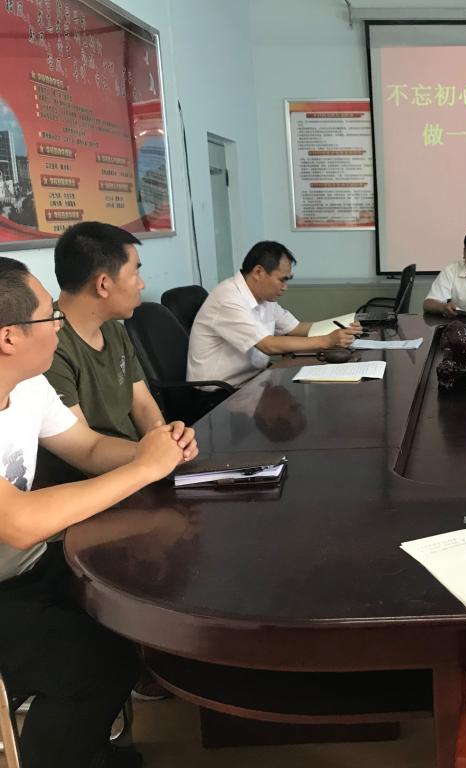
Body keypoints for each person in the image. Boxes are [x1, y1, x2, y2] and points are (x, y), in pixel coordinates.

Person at [0, 257, 197, 768]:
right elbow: (18, 522)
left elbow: (86, 448)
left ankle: (90, 750)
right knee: (93, 665)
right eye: (50, 315)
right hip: (9, 577)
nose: (59, 325)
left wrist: (159, 451)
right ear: (9, 337)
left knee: (128, 615)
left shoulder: (26, 383)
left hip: (25, 568)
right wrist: (143, 469)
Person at [35, 222, 165, 485]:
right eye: (135, 274)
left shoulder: (114, 330)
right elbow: (85, 452)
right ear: (103, 284)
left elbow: (142, 404)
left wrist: (165, 440)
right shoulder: (48, 347)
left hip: (136, 466)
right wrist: (153, 456)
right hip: (91, 483)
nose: (142, 284)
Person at [188, 241, 360, 388]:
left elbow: (296, 328)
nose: (285, 287)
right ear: (258, 272)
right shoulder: (228, 299)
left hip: (253, 379)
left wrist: (345, 326)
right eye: (282, 279)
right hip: (220, 393)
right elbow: (268, 345)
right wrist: (327, 340)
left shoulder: (264, 297)